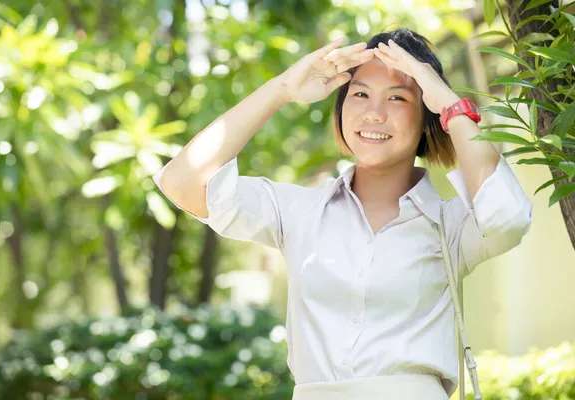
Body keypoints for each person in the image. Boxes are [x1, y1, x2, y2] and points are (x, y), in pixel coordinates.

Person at [153, 28, 533, 400]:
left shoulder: (451, 226)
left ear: (427, 116)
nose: (373, 113)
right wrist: (282, 89)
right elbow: (182, 181)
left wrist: (450, 103)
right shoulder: (299, 211)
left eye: (398, 99)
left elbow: (508, 217)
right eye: (360, 94)